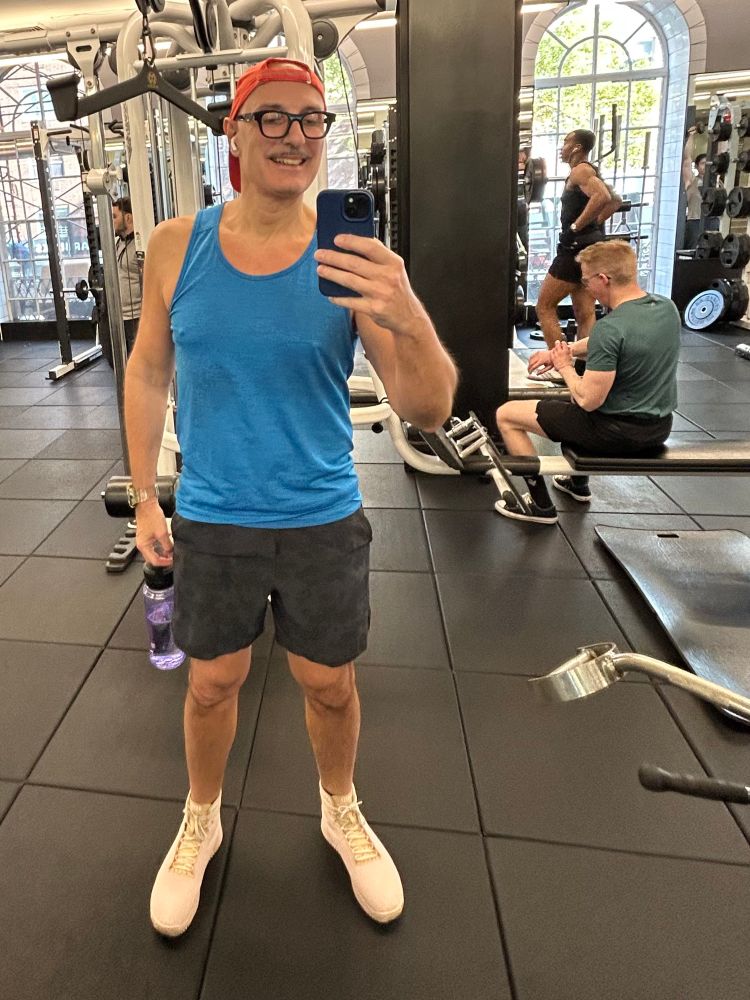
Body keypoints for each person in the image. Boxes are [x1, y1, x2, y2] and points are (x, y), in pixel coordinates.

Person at [124, 57, 457, 937]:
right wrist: (146, 495)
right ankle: (201, 818)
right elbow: (148, 368)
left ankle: (340, 807)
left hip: (321, 514)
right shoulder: (175, 246)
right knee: (210, 685)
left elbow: (428, 409)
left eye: (311, 119)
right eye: (272, 117)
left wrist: (408, 312)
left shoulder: (350, 258)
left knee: (330, 684)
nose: (295, 135)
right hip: (213, 516)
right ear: (233, 133)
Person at [494, 241, 680, 524]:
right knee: (572, 399)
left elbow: (588, 400)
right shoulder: (666, 308)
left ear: (603, 279)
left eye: (586, 281)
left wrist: (565, 367)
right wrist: (565, 351)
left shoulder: (611, 327)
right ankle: (577, 483)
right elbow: (610, 343)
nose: (586, 288)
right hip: (659, 428)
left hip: (615, 434)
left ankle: (539, 505)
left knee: (507, 415)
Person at [536, 129, 622, 349]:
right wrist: (593, 225)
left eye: (566, 142)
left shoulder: (580, 170)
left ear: (577, 148)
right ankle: (585, 364)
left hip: (574, 250)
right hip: (588, 249)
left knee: (544, 306)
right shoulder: (586, 171)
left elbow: (603, 196)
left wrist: (576, 228)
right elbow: (615, 201)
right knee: (585, 312)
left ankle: (558, 359)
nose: (562, 148)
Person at [111, 196, 142, 355]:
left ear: (128, 218)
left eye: (115, 217)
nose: (112, 221)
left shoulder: (140, 245)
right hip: (119, 315)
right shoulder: (118, 243)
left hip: (137, 316)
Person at [682, 128, 706, 250]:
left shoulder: (719, 182)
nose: (706, 166)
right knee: (692, 253)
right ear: (696, 166)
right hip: (695, 222)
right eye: (703, 163)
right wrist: (691, 136)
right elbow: (687, 160)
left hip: (712, 222)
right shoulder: (691, 181)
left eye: (708, 163)